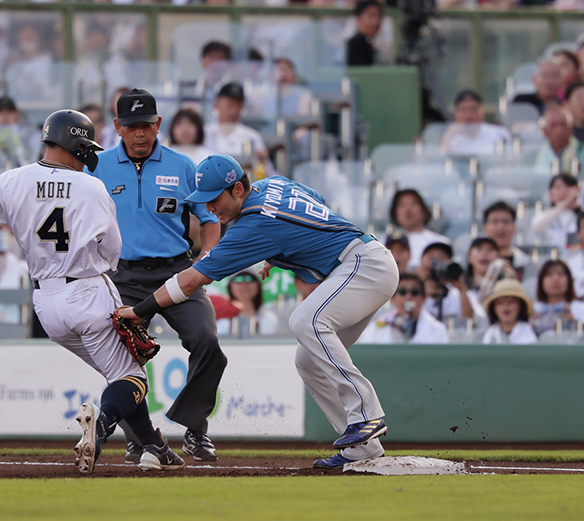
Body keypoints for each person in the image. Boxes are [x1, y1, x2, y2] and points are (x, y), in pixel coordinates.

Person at [0, 109, 185, 472]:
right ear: (76, 143)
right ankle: (99, 429)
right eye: (86, 145)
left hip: (46, 304)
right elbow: (112, 249)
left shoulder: (12, 180)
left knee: (121, 371)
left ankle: (155, 446)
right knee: (132, 378)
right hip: (87, 290)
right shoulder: (91, 186)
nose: (89, 154)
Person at [117, 154, 399, 468]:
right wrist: (280, 248)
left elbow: (192, 280)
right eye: (204, 202)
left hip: (364, 265)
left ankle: (365, 416)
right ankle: (363, 447)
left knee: (306, 321)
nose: (209, 209)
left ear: (238, 189)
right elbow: (316, 202)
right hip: (365, 262)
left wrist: (141, 310)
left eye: (214, 199)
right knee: (307, 361)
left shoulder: (253, 225)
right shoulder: (273, 183)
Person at [90, 89, 225, 464]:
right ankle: (139, 437)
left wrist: (207, 258)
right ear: (116, 127)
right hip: (122, 277)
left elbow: (210, 219)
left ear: (158, 125)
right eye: (131, 126)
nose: (139, 134)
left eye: (146, 125)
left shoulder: (183, 166)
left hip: (177, 273)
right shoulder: (96, 167)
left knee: (206, 341)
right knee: (125, 359)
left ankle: (195, 429)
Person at [359, 272, 450, 344]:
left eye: (414, 292)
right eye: (402, 292)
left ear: (424, 297)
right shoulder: (376, 327)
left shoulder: (437, 330)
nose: (408, 296)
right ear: (393, 298)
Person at [203, 82, 268, 174]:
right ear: (217, 105)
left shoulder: (252, 136)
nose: (233, 111)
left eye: (238, 106)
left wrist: (261, 160)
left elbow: (267, 173)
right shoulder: (204, 133)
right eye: (229, 105)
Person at [388, 188, 450, 270]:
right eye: (402, 205)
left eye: (413, 203)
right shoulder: (384, 243)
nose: (408, 209)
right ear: (395, 213)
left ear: (424, 211)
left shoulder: (440, 242)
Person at [522, 106, 584, 175]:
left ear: (571, 129)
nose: (559, 131)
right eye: (553, 125)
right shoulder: (531, 157)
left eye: (563, 124)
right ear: (544, 131)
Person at [440, 90, 512, 156]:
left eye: (473, 109)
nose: (468, 115)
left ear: (482, 112)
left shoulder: (499, 134)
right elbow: (440, 162)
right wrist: (448, 136)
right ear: (456, 113)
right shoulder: (449, 138)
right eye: (463, 110)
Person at [531, 259, 584, 334]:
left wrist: (574, 322)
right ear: (541, 281)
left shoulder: (583, 310)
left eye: (561, 274)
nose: (555, 279)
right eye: (549, 275)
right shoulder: (533, 310)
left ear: (569, 281)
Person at [220, 269, 280, 336]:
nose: (244, 284)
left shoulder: (268, 318)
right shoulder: (221, 319)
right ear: (230, 286)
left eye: (249, 279)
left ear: (258, 285)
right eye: (238, 279)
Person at [529, 173, 580, 248]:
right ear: (550, 193)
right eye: (558, 188)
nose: (563, 192)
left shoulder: (580, 216)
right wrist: (563, 204)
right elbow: (536, 229)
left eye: (567, 187)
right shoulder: (544, 215)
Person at [481, 279, 538, 344]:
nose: (505, 306)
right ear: (494, 308)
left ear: (521, 306)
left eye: (511, 301)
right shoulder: (490, 335)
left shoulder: (532, 333)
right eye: (500, 302)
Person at [482, 201, 531, 273]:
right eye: (495, 222)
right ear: (485, 228)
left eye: (506, 221)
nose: (501, 227)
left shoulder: (526, 264)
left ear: (514, 227)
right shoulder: (473, 263)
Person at [346, 0, 383, 67]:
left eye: (378, 16)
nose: (375, 21)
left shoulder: (370, 42)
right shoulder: (356, 44)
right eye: (370, 16)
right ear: (358, 19)